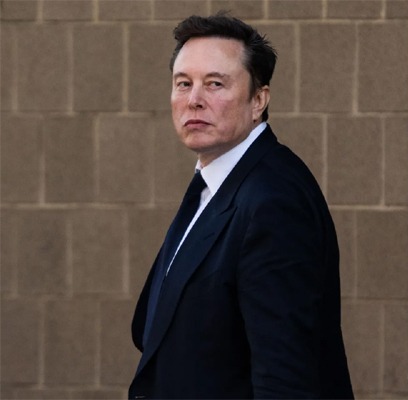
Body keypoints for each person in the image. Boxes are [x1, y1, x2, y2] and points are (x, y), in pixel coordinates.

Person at [129, 13, 354, 399]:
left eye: (215, 84)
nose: (194, 99)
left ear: (258, 100)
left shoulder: (273, 199)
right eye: (183, 84)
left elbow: (284, 377)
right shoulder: (217, 182)